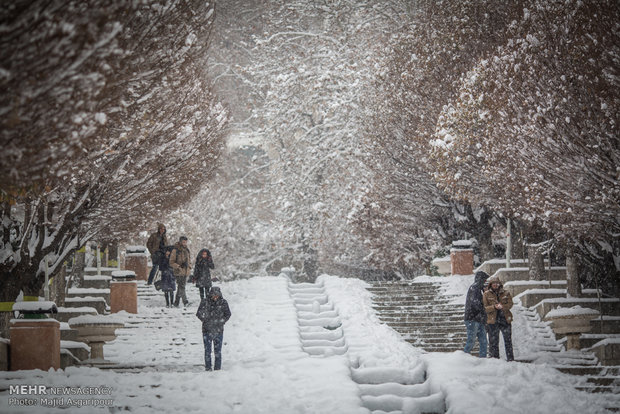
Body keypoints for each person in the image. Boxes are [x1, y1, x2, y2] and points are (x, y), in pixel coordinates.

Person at [196, 286, 231, 371]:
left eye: (217, 295)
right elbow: (199, 313)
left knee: (217, 351)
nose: (215, 297)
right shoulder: (205, 302)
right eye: (213, 295)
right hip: (207, 330)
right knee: (207, 351)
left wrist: (222, 321)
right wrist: (205, 320)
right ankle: (208, 368)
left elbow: (228, 314)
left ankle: (217, 368)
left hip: (219, 330)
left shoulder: (223, 302)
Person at [483, 276, 515, 361]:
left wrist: (503, 306)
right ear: (490, 284)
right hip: (493, 321)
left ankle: (510, 359)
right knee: (494, 342)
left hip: (505, 320)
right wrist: (494, 307)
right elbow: (484, 308)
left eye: (497, 283)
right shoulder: (486, 294)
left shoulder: (506, 293)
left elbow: (510, 304)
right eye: (493, 283)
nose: (495, 285)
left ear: (499, 284)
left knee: (508, 341)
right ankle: (495, 359)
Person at [463, 270, 489, 357]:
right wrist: (484, 309)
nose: (485, 282)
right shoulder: (475, 288)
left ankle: (483, 359)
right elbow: (475, 302)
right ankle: (462, 358)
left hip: (479, 319)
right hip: (472, 318)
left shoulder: (479, 288)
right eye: (485, 280)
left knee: (484, 341)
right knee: (471, 341)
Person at [170, 236, 191, 308]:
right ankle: (185, 302)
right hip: (178, 272)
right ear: (180, 242)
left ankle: (176, 303)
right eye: (183, 242)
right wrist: (178, 266)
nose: (184, 243)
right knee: (182, 287)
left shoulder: (187, 250)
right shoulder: (175, 250)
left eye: (185, 242)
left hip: (185, 271)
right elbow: (171, 262)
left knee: (180, 287)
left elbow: (189, 260)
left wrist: (189, 266)